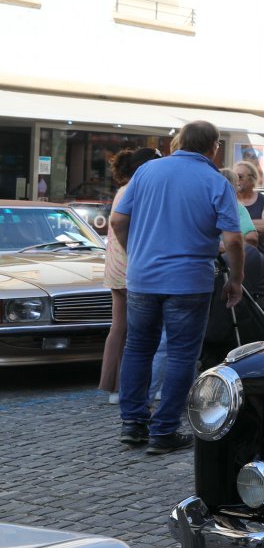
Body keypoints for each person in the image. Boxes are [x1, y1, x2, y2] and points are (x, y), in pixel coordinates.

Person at [112, 120, 244, 454]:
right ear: (213, 147)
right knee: (182, 355)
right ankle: (164, 431)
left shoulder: (146, 172)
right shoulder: (216, 181)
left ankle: (132, 425)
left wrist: (135, 254)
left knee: (138, 348)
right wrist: (236, 279)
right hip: (189, 281)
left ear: (180, 142)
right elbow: (233, 240)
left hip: (143, 277)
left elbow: (117, 220)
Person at [98, 147, 161, 403]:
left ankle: (114, 386)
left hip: (116, 265)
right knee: (139, 332)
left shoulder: (123, 189)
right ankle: (134, 386)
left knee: (119, 328)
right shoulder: (137, 190)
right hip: (133, 265)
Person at [233, 161, 264, 250]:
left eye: (240, 177)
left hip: (257, 254)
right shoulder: (228, 200)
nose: (236, 180)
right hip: (231, 254)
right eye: (233, 177)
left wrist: (234, 224)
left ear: (252, 179)